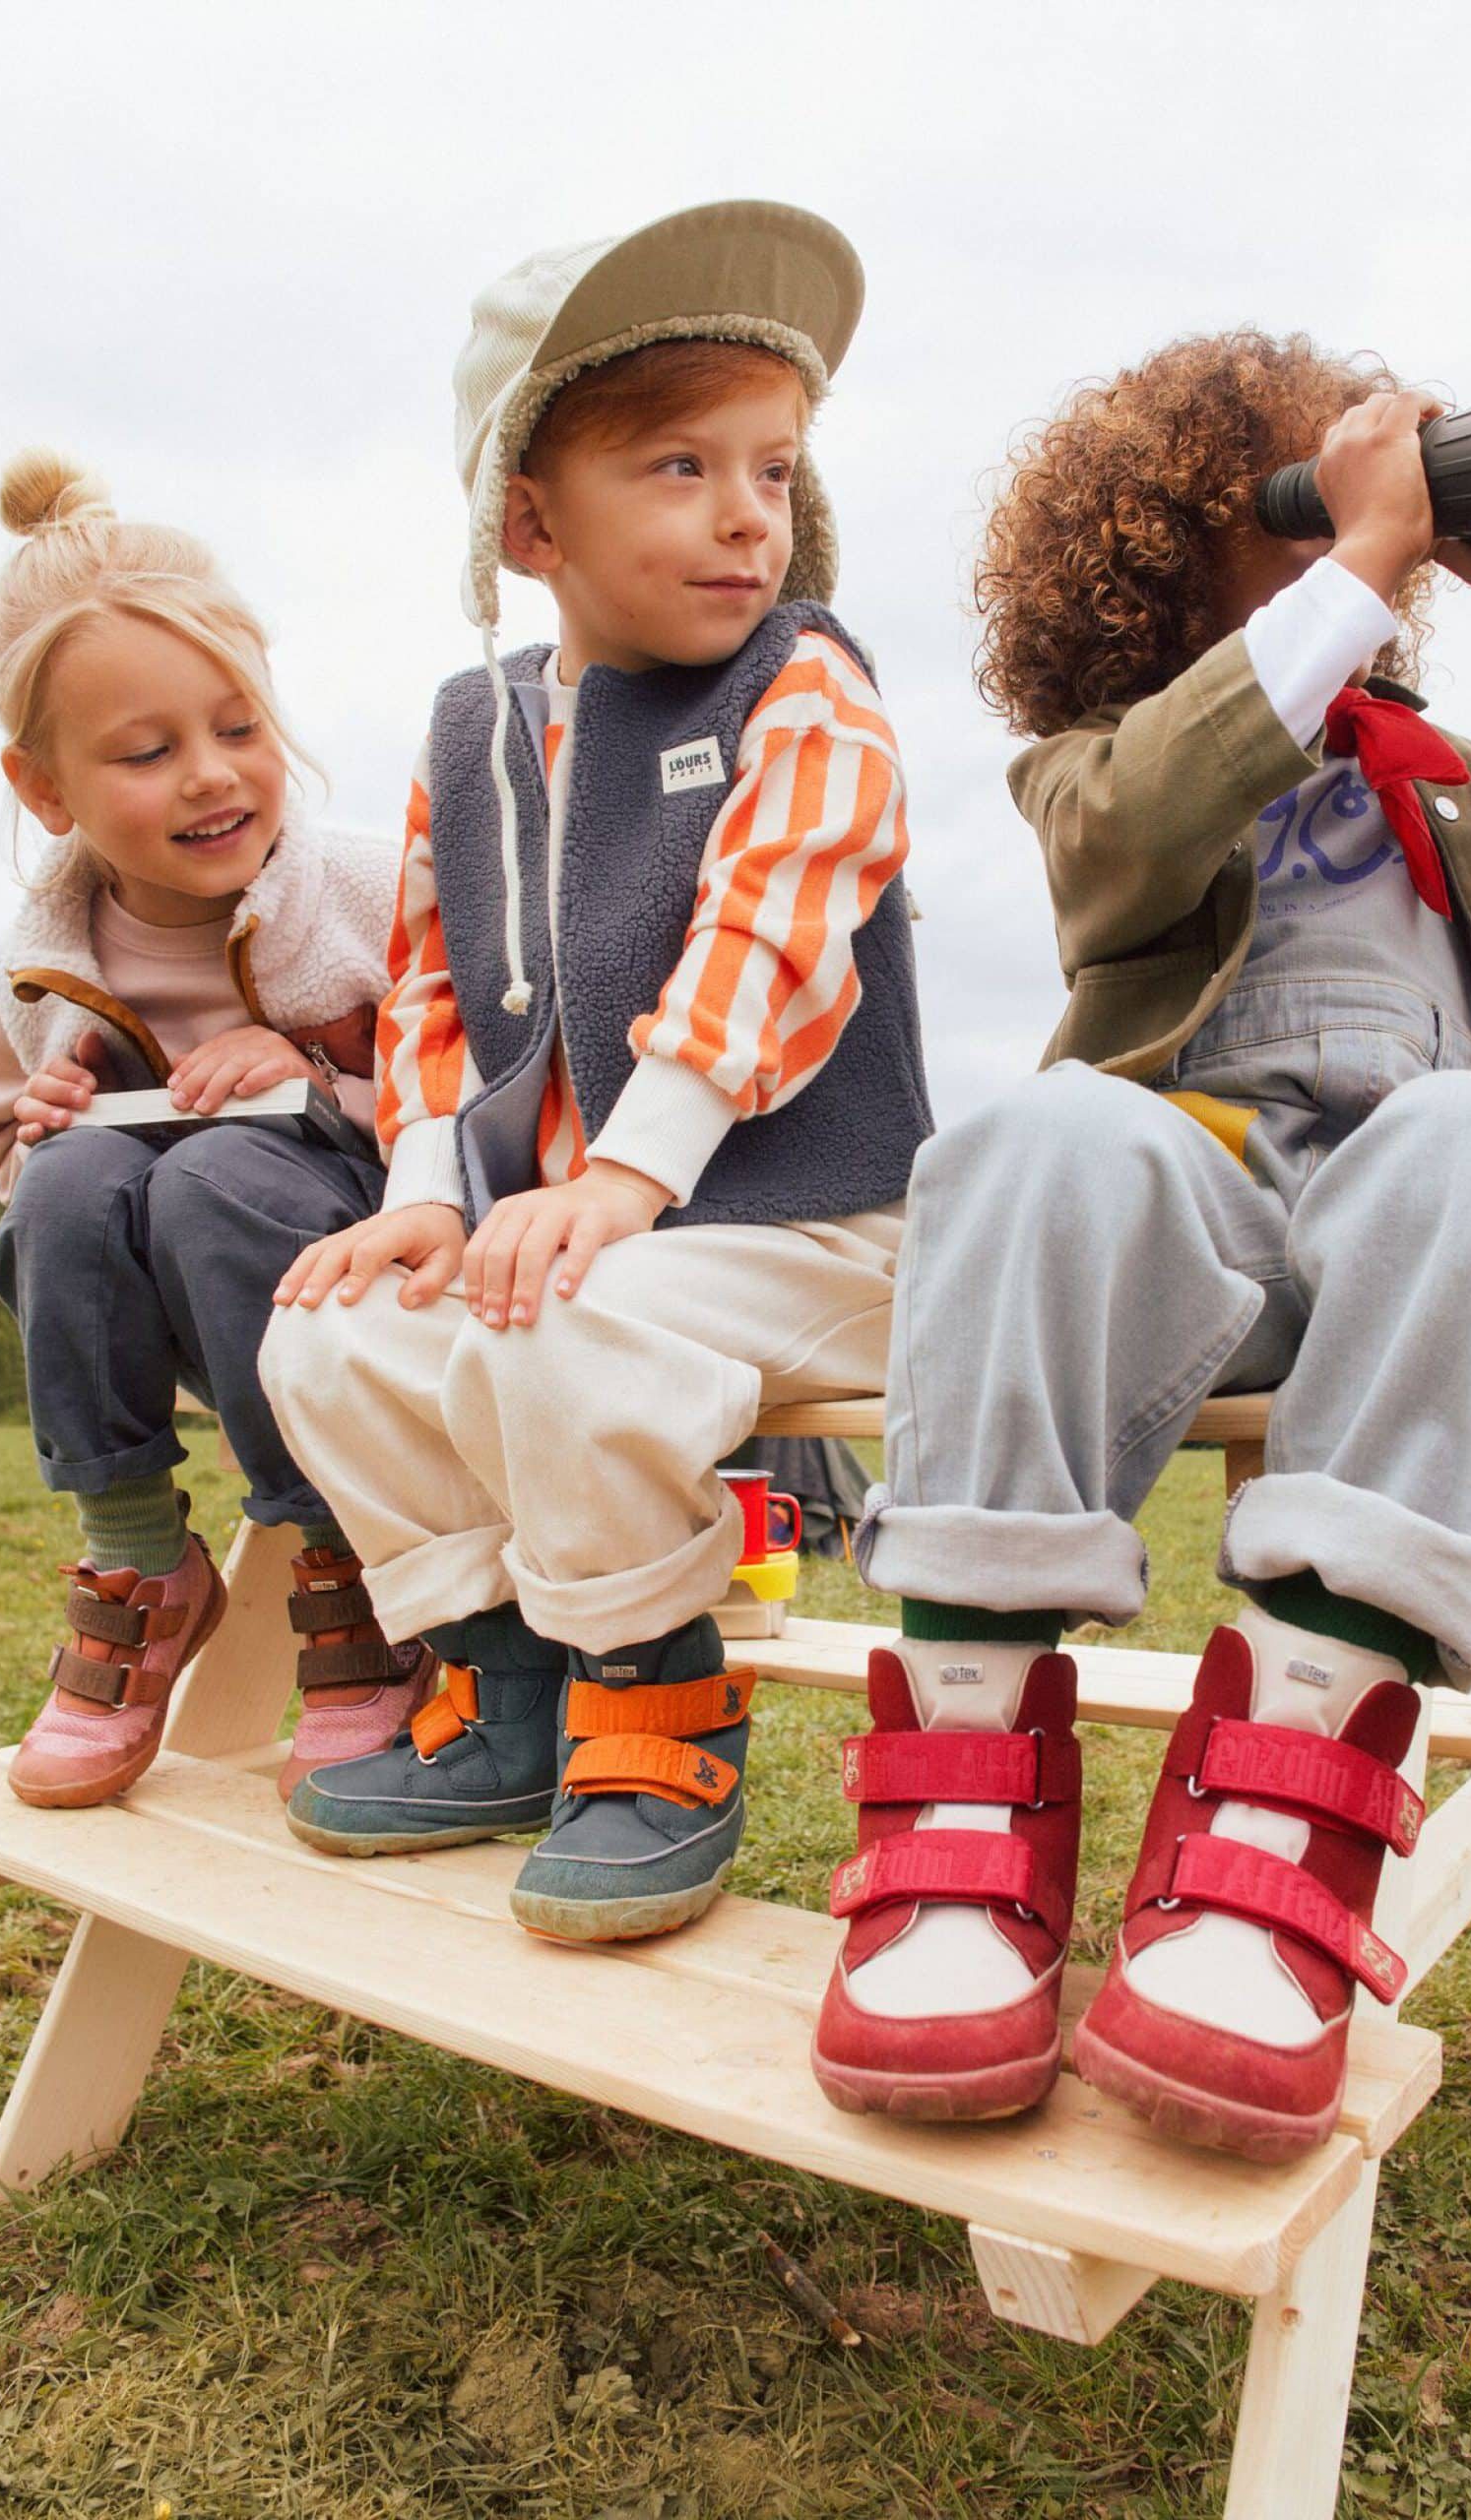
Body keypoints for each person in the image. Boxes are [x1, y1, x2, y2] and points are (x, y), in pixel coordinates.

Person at [816, 332, 1471, 2160]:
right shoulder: (1102, 765)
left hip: (1410, 1251)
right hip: (1196, 1221)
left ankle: (1280, 1815)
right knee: (1028, 1133)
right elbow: (1131, 830)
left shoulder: (1454, 787)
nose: (1370, 518)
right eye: (1307, 495)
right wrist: (1359, 559)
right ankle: (962, 1788)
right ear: (1173, 560)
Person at [262, 203, 928, 1947]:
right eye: (679, 464)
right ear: (532, 522)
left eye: (774, 470)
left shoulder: (812, 688)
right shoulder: (470, 733)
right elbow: (422, 985)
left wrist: (625, 1179)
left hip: (822, 1231)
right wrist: (423, 1197)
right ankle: (501, 1687)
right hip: (604, 1244)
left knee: (558, 1316)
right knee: (326, 1328)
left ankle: (656, 1698)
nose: (743, 515)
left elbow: (772, 936)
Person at [0, 454, 429, 1811]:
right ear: (44, 787)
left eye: (238, 727)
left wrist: (314, 1065)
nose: (211, 777)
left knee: (222, 1172)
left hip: (347, 1266)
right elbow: (5, 1165)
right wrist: (50, 1122)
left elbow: (474, 1096)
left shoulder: (361, 896)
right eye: (147, 751)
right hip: (166, 1297)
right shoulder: (41, 957)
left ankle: (344, 1568)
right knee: (73, 1184)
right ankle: (136, 1559)